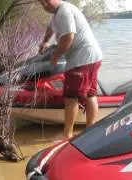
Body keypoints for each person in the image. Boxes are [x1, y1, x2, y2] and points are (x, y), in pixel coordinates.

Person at [38, 0, 102, 139]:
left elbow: (68, 37)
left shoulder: (64, 11)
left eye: (47, 1)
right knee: (90, 94)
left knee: (71, 97)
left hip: (82, 60)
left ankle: (67, 135)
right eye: (41, 3)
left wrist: (55, 57)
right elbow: (50, 28)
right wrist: (45, 41)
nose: (45, 5)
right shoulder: (56, 14)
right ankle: (90, 131)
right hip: (92, 57)